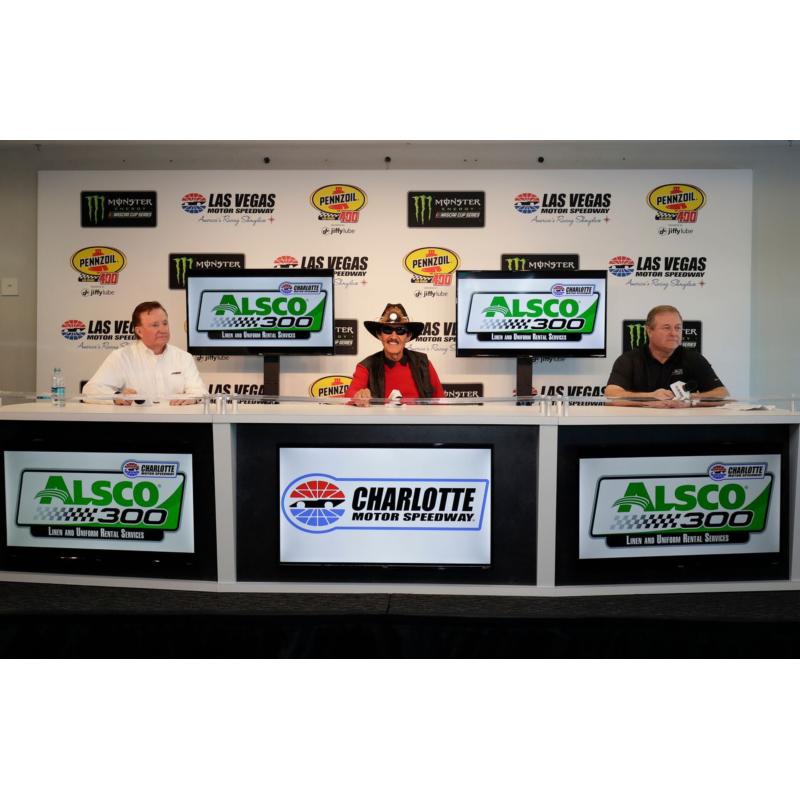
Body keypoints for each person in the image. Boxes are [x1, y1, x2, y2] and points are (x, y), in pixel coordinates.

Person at [82, 301, 206, 405]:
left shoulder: (183, 357)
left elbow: (200, 391)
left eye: (165, 323)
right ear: (139, 331)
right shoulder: (122, 357)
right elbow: (90, 390)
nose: (163, 329)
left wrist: (192, 398)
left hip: (180, 425)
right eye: (155, 325)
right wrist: (116, 396)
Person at [604, 305, 728, 401]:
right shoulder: (629, 359)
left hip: (683, 426)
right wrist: (651, 397)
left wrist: (688, 398)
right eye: (667, 328)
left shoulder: (693, 358)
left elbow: (721, 393)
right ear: (649, 331)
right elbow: (611, 393)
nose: (674, 333)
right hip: (639, 425)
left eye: (678, 328)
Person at [345, 303, 445, 406]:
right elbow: (349, 398)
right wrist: (358, 396)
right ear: (380, 335)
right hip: (382, 422)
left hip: (418, 422)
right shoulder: (366, 366)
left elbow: (441, 402)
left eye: (400, 330)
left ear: (408, 336)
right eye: (387, 330)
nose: (393, 336)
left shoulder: (423, 364)